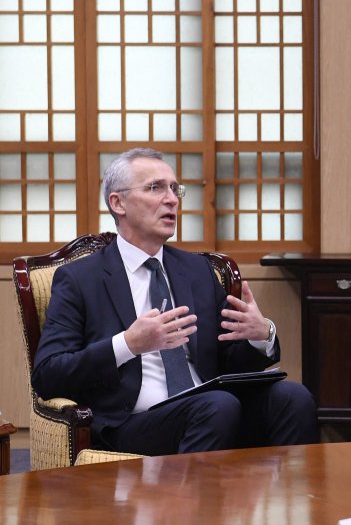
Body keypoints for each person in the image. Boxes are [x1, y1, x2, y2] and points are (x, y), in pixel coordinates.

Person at [31, 148, 319, 455]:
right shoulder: (80, 279)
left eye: (174, 189)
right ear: (118, 203)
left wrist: (261, 336)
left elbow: (228, 360)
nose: (171, 199)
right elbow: (48, 374)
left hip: (210, 408)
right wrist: (128, 344)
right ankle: (191, 489)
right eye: (155, 188)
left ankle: (291, 490)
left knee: (294, 397)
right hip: (133, 422)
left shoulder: (197, 270)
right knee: (216, 406)